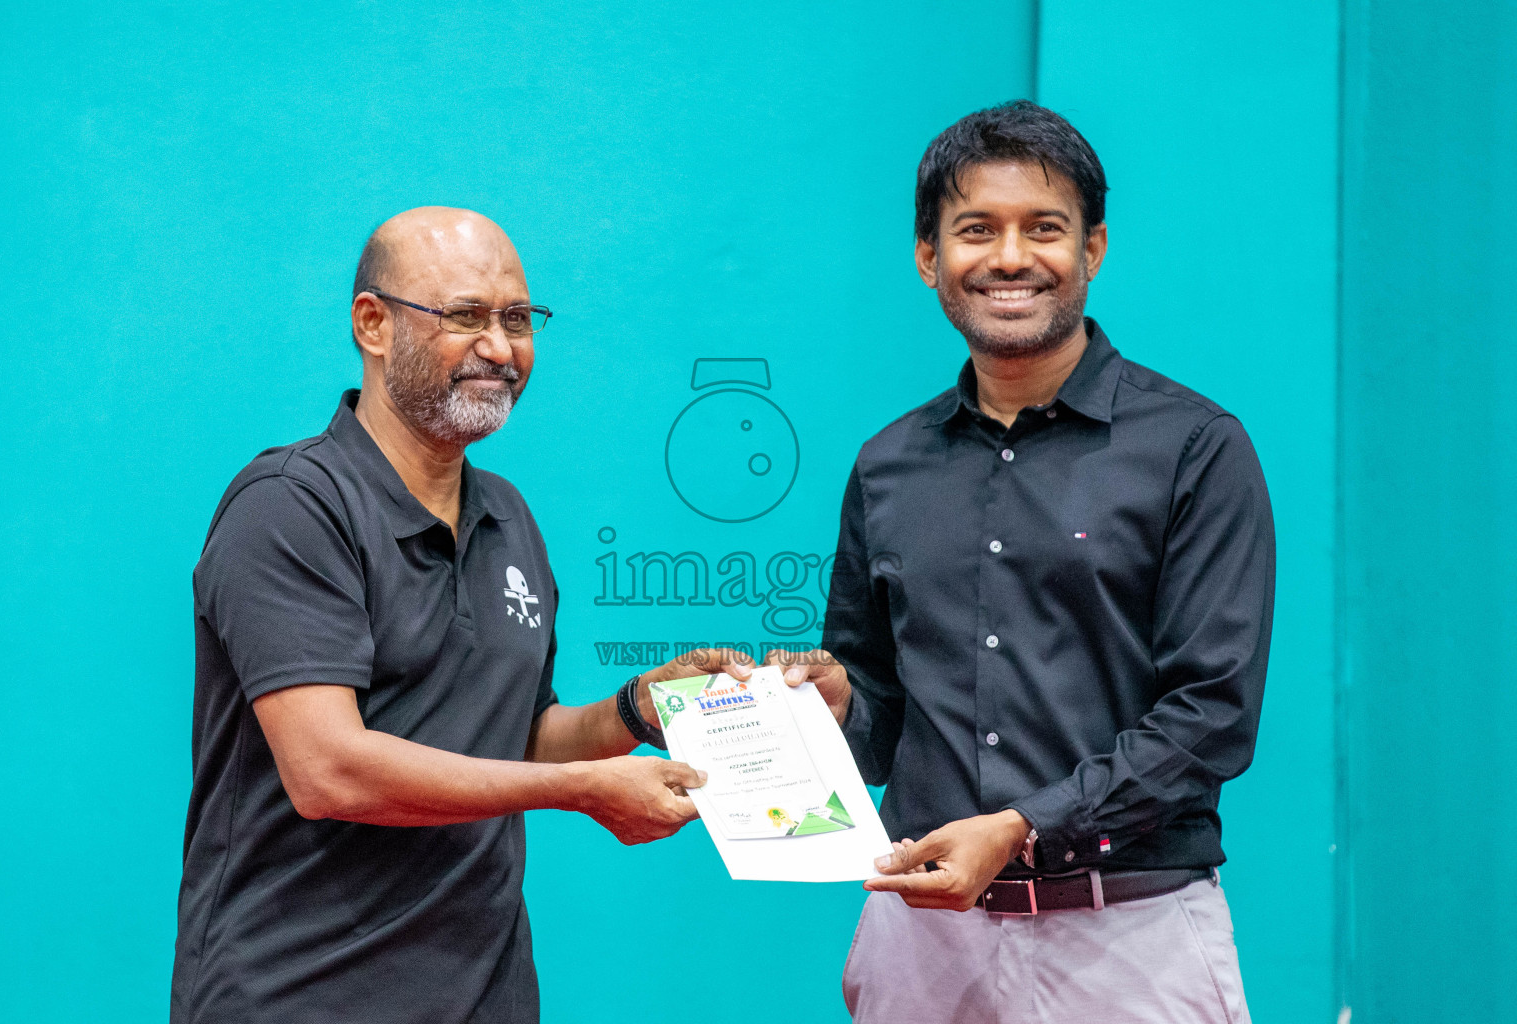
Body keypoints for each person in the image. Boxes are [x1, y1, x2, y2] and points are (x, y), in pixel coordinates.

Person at [171, 207, 745, 1024]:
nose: (502, 349)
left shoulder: (507, 515)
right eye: (466, 316)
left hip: (485, 995)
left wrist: (636, 710)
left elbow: (515, 733)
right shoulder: (292, 507)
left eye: (518, 319)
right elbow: (327, 769)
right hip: (298, 996)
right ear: (373, 324)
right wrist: (583, 790)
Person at [768, 101, 1272, 1022]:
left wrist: (1023, 827)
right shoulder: (887, 465)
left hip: (1131, 936)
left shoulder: (1194, 447)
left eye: (1044, 228)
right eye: (975, 231)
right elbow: (881, 713)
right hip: (922, 940)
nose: (1009, 258)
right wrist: (838, 706)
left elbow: (1212, 717)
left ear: (1094, 248)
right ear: (929, 259)